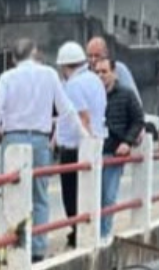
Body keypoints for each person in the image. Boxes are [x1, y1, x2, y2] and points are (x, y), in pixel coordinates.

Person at [0, 37, 77, 262]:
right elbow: (66, 109)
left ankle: (17, 247)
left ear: (14, 57)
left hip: (13, 138)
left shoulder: (6, 77)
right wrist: (78, 134)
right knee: (39, 195)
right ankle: (37, 248)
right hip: (39, 139)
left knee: (13, 195)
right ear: (34, 52)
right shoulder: (49, 74)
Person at [56, 40, 106, 249]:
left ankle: (78, 231)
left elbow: (82, 117)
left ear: (66, 66)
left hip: (77, 148)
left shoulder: (74, 85)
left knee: (72, 195)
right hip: (93, 144)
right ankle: (84, 230)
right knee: (88, 193)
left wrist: (85, 141)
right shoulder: (95, 80)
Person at [96, 56, 144, 239]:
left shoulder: (126, 94)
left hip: (113, 153)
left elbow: (138, 120)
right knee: (92, 197)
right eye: (97, 72)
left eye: (104, 72)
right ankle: (92, 235)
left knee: (108, 197)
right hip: (93, 153)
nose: (100, 76)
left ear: (114, 73)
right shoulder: (92, 94)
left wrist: (127, 142)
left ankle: (104, 236)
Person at [87, 35, 140, 102]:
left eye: (97, 55)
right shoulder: (84, 73)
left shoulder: (119, 69)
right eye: (90, 56)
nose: (93, 60)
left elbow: (135, 99)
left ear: (106, 53)